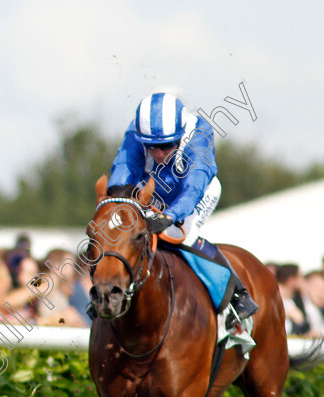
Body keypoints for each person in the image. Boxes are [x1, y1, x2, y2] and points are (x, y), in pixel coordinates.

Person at [108, 92, 258, 328]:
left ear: (179, 135)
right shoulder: (136, 132)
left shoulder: (198, 134)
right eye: (151, 147)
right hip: (153, 190)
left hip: (197, 193)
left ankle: (238, 294)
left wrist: (170, 216)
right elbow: (124, 168)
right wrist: (117, 201)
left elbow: (193, 187)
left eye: (166, 146)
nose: (158, 154)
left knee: (183, 237)